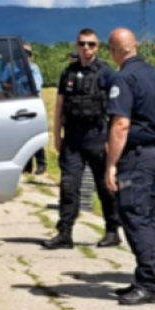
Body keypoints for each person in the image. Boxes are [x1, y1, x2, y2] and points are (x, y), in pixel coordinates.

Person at [104, 28, 155, 306]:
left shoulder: (124, 78)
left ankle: (149, 284)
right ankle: (152, 273)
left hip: (137, 157)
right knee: (150, 216)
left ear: (115, 51)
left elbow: (121, 124)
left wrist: (111, 165)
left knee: (135, 216)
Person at [42, 29, 121, 249]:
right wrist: (57, 135)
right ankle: (64, 233)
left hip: (98, 136)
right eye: (82, 44)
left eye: (91, 44)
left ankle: (113, 231)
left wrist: (111, 140)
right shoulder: (68, 73)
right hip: (73, 138)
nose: (86, 48)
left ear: (98, 47)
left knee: (105, 187)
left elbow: (117, 111)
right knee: (68, 186)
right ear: (77, 46)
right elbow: (59, 106)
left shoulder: (107, 73)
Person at [16, 43, 47, 175]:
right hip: (17, 105)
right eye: (22, 53)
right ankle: (26, 166)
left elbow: (36, 88)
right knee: (22, 136)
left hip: (32, 105)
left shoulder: (34, 69)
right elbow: (4, 83)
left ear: (31, 56)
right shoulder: (13, 69)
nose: (25, 56)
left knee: (34, 136)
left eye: (27, 54)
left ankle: (41, 164)